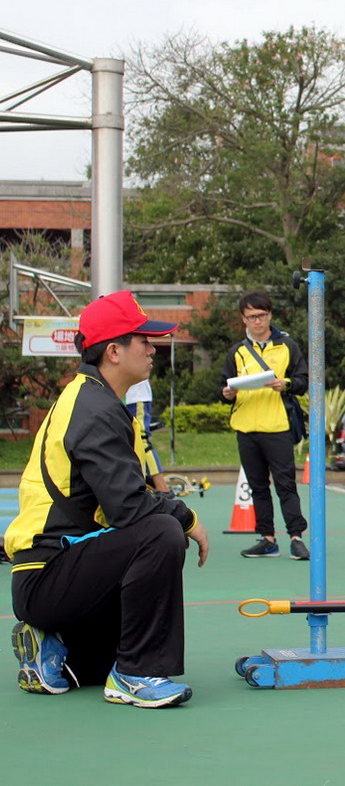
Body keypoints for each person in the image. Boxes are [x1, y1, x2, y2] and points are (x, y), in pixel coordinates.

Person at [5, 290, 208, 708]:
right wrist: (187, 518)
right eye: (144, 339)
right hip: (48, 573)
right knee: (161, 532)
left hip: (58, 572)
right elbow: (128, 507)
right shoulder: (94, 409)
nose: (153, 348)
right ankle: (134, 674)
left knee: (103, 660)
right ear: (114, 351)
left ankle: (56, 648)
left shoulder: (94, 398)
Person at [220, 291, 309, 561]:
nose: (256, 321)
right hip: (246, 427)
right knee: (258, 486)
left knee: (285, 484)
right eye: (251, 317)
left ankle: (296, 537)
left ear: (269, 314)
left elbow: (303, 380)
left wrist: (287, 384)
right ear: (242, 319)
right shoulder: (236, 352)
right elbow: (223, 386)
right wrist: (227, 394)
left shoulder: (287, 347)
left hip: (277, 426)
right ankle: (267, 539)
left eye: (261, 315)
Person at [126, 377, 171, 494]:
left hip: (135, 397)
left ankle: (162, 487)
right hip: (129, 397)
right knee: (130, 442)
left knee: (142, 440)